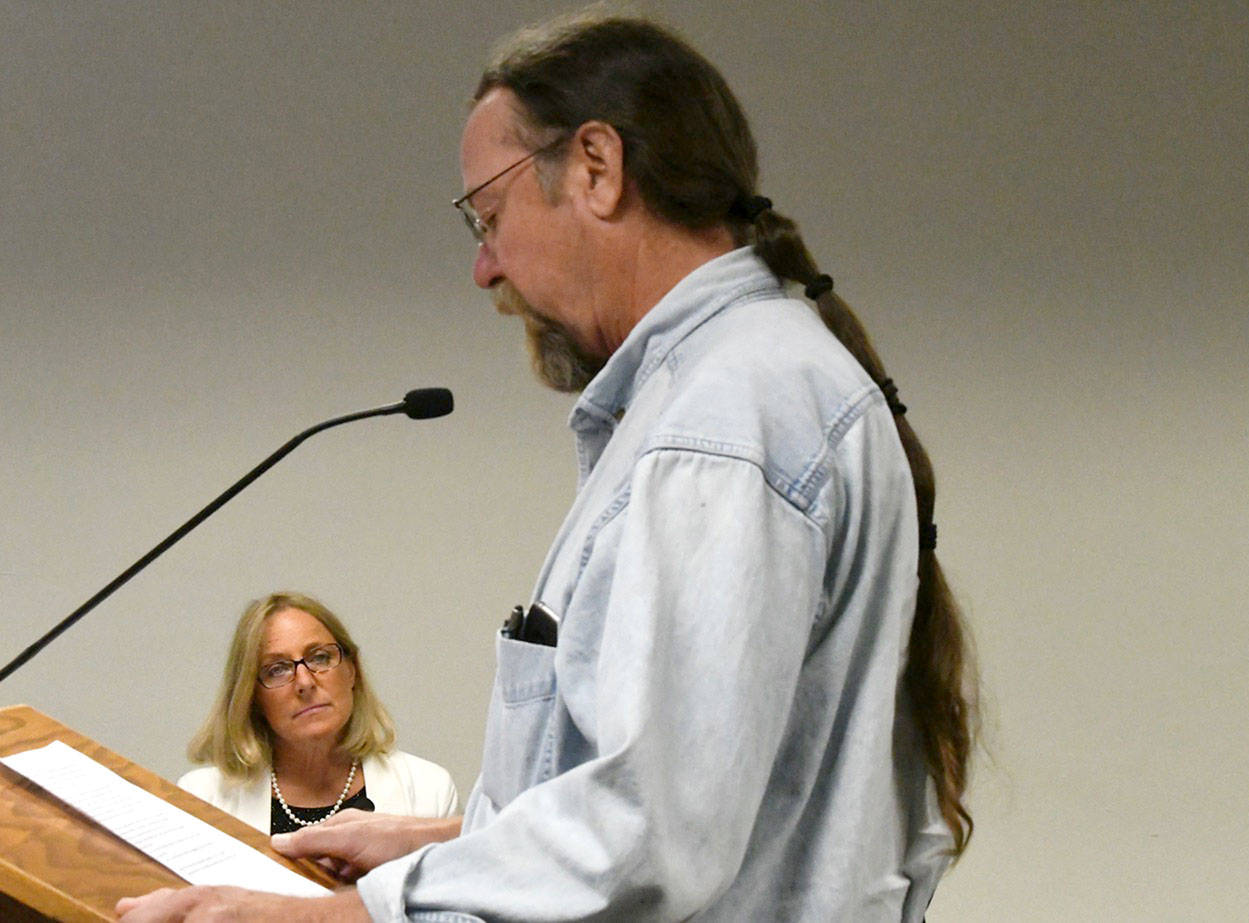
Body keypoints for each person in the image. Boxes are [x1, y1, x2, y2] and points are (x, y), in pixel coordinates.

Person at [118, 11, 975, 921]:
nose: (485, 268)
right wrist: (439, 845)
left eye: (489, 216)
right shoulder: (751, 385)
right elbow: (719, 801)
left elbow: (652, 839)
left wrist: (351, 914)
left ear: (598, 169)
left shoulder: (720, 426)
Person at [177, 591, 460, 836]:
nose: (305, 682)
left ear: (352, 671)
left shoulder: (427, 790)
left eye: (320, 657)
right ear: (251, 697)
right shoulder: (203, 800)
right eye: (277, 669)